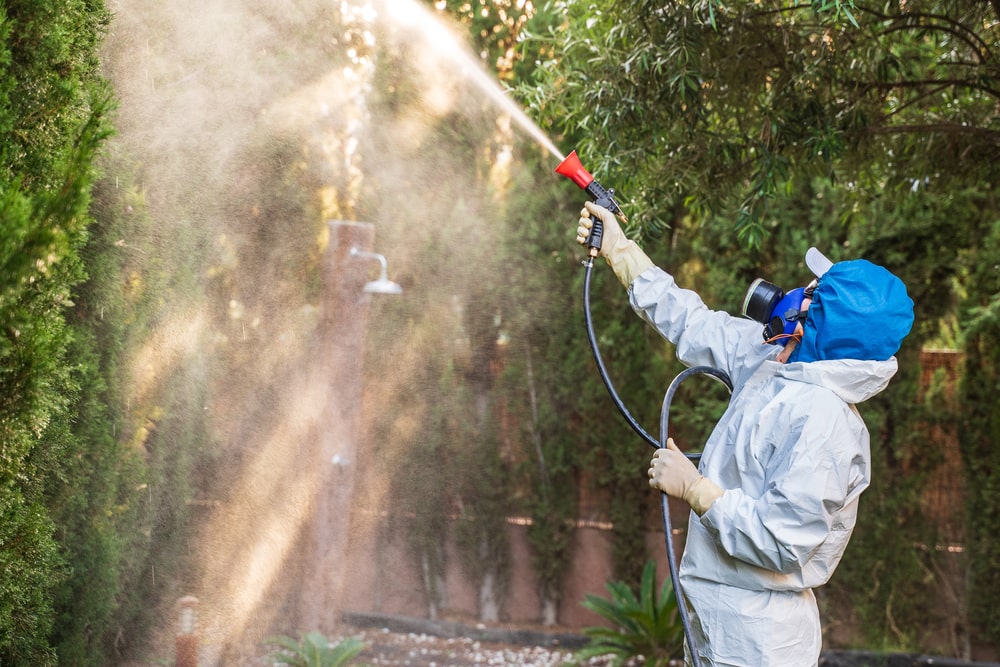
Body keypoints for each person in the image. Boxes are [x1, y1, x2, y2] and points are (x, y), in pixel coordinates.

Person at [575, 202, 914, 667]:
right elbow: (692, 322)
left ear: (822, 319)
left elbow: (781, 542)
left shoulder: (824, 424)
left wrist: (696, 489)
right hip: (715, 616)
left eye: (814, 291)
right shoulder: (773, 361)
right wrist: (619, 249)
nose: (799, 291)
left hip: (761, 639)